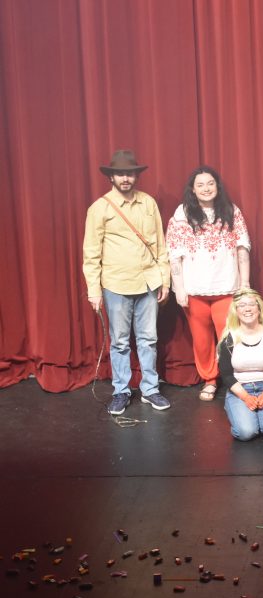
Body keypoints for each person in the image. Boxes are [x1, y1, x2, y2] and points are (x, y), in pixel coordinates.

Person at [83, 149, 171, 416]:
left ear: (136, 176)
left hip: (147, 282)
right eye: (120, 174)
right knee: (119, 341)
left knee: (148, 339)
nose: (125, 178)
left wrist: (164, 280)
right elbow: (91, 253)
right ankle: (121, 391)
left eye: (130, 173)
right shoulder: (99, 208)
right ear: (111, 177)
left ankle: (150, 389)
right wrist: (94, 290)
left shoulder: (148, 203)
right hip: (116, 284)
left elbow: (160, 245)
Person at [167, 166, 251, 402]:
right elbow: (175, 254)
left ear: (217, 186)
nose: (206, 188)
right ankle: (210, 380)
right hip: (195, 289)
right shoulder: (182, 214)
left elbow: (242, 248)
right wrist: (179, 288)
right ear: (193, 190)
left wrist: (245, 284)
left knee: (230, 337)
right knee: (202, 340)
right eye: (200, 185)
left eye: (210, 183)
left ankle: (232, 379)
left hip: (227, 286)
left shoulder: (231, 211)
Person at [217, 289, 263, 441]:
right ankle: (233, 406)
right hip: (240, 389)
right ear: (236, 310)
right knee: (246, 433)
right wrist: (245, 397)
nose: (247, 309)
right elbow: (227, 375)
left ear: (259, 308)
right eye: (242, 305)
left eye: (251, 304)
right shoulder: (229, 338)